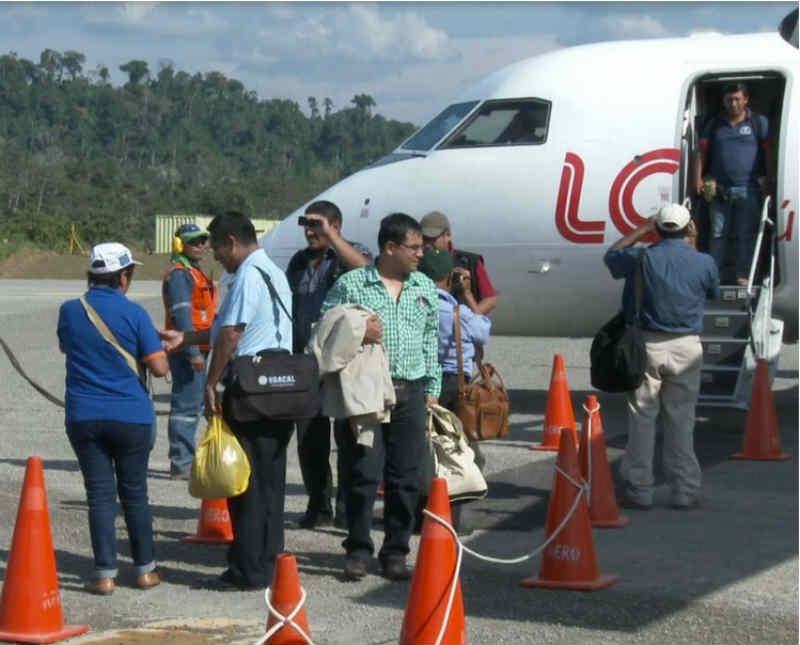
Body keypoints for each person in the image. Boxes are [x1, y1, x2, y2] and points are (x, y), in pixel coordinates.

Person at [161, 211, 293, 590]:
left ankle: (249, 569)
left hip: (251, 387)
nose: (216, 256)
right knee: (270, 481)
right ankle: (267, 562)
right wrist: (183, 339)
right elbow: (223, 329)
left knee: (244, 481)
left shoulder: (249, 275)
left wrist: (211, 382)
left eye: (218, 247)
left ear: (231, 242)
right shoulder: (272, 273)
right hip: (281, 385)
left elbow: (232, 334)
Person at [321, 212, 440, 581]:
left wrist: (433, 388)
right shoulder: (352, 284)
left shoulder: (425, 287)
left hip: (412, 392)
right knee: (362, 473)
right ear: (390, 247)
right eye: (414, 247)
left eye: (422, 247)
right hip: (367, 392)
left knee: (407, 477)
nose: (422, 254)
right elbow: (324, 327)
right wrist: (358, 329)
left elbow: (430, 339)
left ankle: (396, 551)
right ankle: (357, 549)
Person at [57, 243, 169, 595]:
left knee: (99, 495)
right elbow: (160, 368)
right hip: (130, 416)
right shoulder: (135, 313)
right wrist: (157, 345)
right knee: (135, 494)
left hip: (84, 415)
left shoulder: (69, 311)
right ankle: (145, 570)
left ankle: (104, 574)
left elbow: (68, 346)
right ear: (123, 276)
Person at [604, 204, 720, 510]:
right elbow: (713, 292)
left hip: (649, 345)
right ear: (688, 228)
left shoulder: (641, 257)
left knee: (643, 417)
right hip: (687, 346)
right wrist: (692, 243)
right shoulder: (704, 261)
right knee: (681, 419)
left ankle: (640, 489)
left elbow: (611, 256)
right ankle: (684, 489)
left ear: (659, 227)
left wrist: (642, 230)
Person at [286, 200, 371, 529]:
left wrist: (333, 238)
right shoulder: (299, 261)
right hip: (307, 361)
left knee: (349, 439)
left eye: (317, 225)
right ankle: (318, 506)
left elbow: (366, 272)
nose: (310, 232)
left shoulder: (349, 252)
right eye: (307, 226)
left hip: (344, 361)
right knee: (310, 439)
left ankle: (348, 511)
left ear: (335, 226)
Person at [417, 247, 491, 534]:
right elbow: (483, 330)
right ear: (450, 277)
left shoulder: (418, 304)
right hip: (455, 383)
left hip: (423, 380)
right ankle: (455, 519)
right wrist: (468, 293)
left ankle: (422, 513)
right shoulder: (455, 310)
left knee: (426, 450)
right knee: (458, 452)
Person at [694, 82, 772, 285]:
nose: (733, 103)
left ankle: (743, 275)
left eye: (737, 99)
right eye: (729, 99)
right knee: (717, 235)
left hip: (748, 188)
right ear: (723, 101)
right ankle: (714, 276)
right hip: (719, 190)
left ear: (745, 100)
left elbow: (768, 153)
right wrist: (698, 178)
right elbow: (701, 153)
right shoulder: (714, 124)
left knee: (745, 235)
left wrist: (768, 178)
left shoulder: (758, 122)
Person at [162, 223, 217, 480]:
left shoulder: (193, 272)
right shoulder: (180, 275)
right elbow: (182, 315)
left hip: (201, 345)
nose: (202, 245)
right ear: (179, 245)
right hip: (188, 348)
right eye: (195, 241)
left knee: (194, 403)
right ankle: (182, 462)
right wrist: (192, 351)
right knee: (186, 406)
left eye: (204, 240)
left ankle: (186, 459)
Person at [419, 210, 498, 315]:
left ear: (448, 235)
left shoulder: (470, 262)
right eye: (424, 238)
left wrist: (465, 321)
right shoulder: (416, 262)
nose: (427, 243)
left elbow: (490, 299)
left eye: (432, 238)